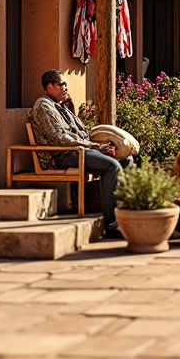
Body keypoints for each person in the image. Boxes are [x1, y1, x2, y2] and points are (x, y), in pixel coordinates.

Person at [32, 69, 137, 236]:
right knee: (112, 166)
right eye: (61, 84)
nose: (65, 88)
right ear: (49, 87)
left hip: (79, 149)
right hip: (62, 155)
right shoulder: (43, 106)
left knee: (126, 159)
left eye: (66, 84)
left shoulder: (61, 106)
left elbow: (82, 131)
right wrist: (95, 146)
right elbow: (60, 137)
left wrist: (103, 143)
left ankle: (125, 212)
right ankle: (111, 223)